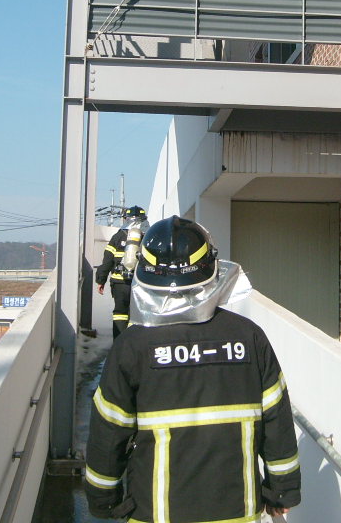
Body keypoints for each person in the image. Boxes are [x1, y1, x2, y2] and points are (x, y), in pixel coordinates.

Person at [85, 215, 301, 521]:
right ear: (212, 267)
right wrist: (282, 491)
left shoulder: (132, 346)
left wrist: (103, 499)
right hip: (237, 512)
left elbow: (109, 430)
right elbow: (277, 420)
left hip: (155, 513)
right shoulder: (249, 337)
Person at [95, 205, 148, 338]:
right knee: (138, 314)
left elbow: (107, 261)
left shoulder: (117, 237)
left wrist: (101, 280)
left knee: (120, 313)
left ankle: (119, 343)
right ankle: (136, 343)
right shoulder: (148, 237)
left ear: (126, 219)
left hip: (120, 283)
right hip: (140, 283)